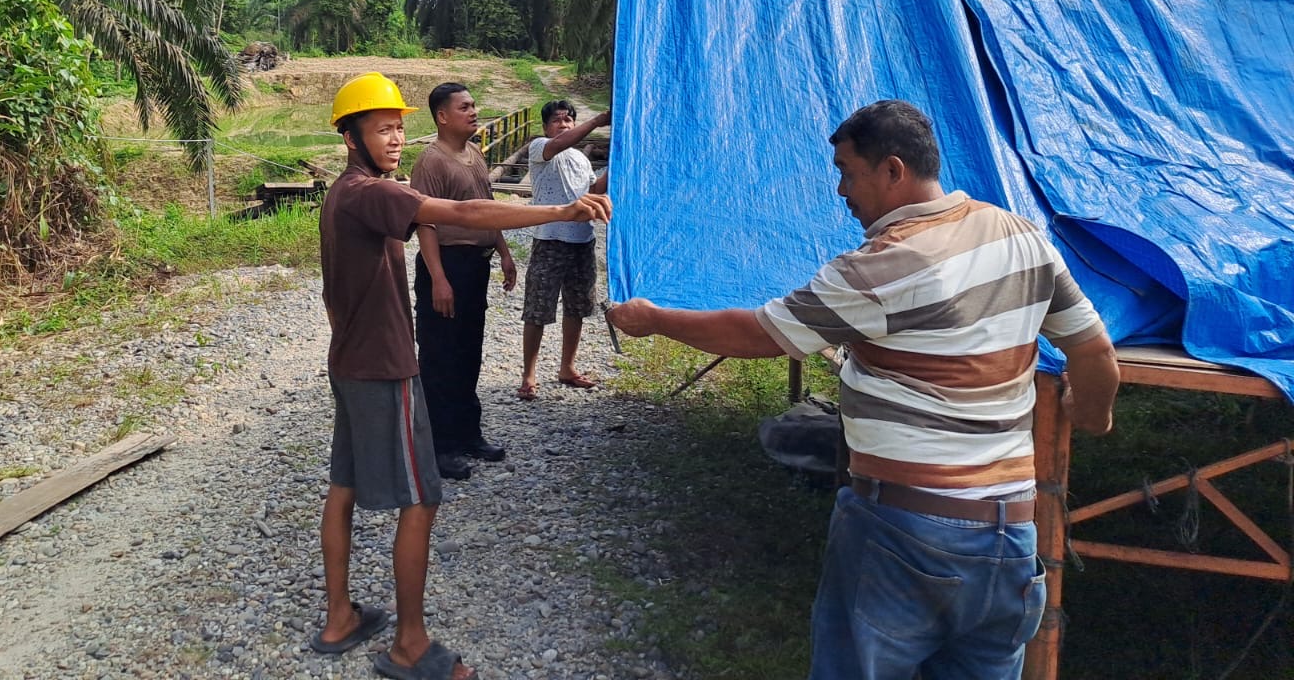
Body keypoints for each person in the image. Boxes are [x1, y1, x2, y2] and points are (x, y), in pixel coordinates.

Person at [607, 99, 1120, 680]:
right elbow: (1094, 352)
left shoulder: (881, 266)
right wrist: (1093, 415)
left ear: (893, 170)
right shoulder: (1020, 236)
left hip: (903, 531)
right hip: (1010, 536)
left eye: (848, 173)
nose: (842, 192)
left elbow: (758, 333)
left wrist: (656, 320)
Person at [315, 72, 612, 680]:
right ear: (351, 137)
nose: (395, 139)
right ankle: (411, 646)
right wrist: (558, 208)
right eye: (381, 128)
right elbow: (461, 210)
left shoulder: (344, 194)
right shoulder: (370, 193)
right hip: (382, 366)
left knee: (343, 487)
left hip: (348, 360)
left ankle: (340, 616)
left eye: (399, 126)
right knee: (421, 497)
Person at [409, 82, 517, 481]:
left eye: (474, 105)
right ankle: (439, 447)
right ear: (442, 116)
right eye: (464, 107)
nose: (474, 112)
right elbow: (425, 223)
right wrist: (438, 278)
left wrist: (503, 251)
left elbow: (486, 211)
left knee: (469, 351)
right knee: (440, 357)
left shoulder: (474, 154)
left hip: (476, 266)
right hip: (446, 266)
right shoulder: (430, 161)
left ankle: (468, 432)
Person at [518, 98, 610, 399]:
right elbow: (557, 145)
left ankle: (567, 367)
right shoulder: (541, 149)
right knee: (537, 309)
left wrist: (618, 163)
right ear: (546, 127)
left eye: (569, 119)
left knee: (577, 308)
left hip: (582, 241)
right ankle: (528, 375)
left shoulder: (581, 159)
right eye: (557, 120)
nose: (564, 124)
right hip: (549, 240)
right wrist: (597, 121)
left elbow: (594, 191)